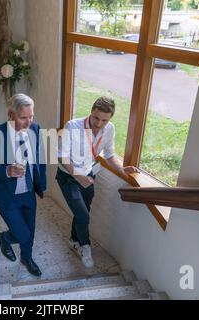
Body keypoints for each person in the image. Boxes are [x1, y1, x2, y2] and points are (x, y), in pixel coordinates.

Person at [56, 96, 139, 268]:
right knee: (83, 215)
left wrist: (122, 170)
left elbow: (108, 154)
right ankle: (86, 247)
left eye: (104, 120)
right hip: (69, 177)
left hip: (89, 175)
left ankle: (73, 240)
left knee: (83, 211)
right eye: (96, 118)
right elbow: (61, 155)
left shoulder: (110, 129)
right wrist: (78, 176)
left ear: (110, 118)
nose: (99, 123)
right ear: (91, 112)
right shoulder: (72, 126)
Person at [0, 93, 47, 277]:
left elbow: (39, 159)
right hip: (6, 195)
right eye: (23, 117)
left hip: (28, 191)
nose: (29, 122)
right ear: (10, 115)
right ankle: (5, 238)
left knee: (30, 231)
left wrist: (42, 183)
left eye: (31, 116)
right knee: (22, 234)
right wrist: (6, 170)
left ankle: (27, 257)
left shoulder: (36, 129)